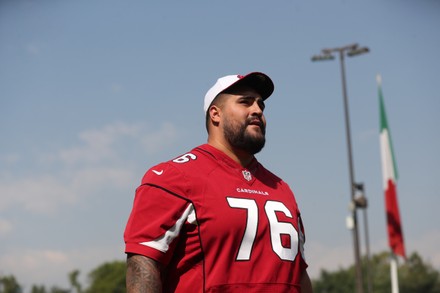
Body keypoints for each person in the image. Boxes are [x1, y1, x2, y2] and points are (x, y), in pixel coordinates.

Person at [124, 72, 313, 293]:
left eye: (261, 105)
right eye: (245, 102)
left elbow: (298, 273)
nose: (257, 110)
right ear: (216, 114)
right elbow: (144, 263)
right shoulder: (174, 176)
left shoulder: (281, 189)